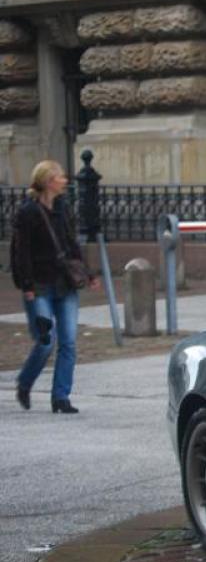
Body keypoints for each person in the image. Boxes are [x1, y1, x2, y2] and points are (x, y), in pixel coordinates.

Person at [10, 160, 98, 413]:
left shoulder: (63, 208)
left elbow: (72, 244)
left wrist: (87, 273)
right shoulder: (28, 212)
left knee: (68, 342)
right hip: (38, 286)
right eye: (60, 177)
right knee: (46, 341)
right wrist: (26, 285)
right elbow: (21, 252)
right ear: (48, 181)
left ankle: (61, 397)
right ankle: (25, 382)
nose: (65, 180)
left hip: (64, 284)